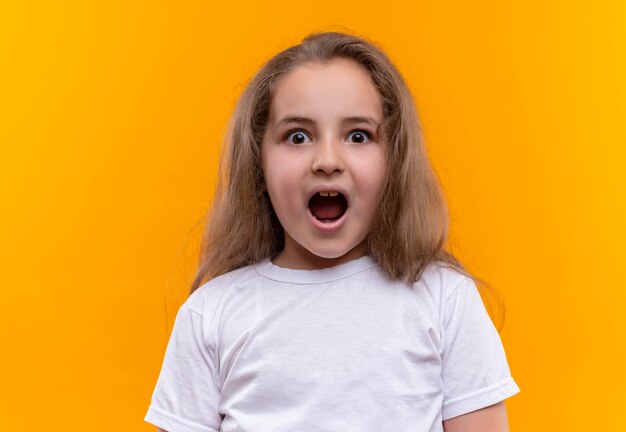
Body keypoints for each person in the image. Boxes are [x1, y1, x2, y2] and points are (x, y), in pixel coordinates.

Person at [144, 31, 520, 432]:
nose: (327, 160)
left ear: (393, 158)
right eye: (298, 136)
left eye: (358, 135)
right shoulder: (211, 314)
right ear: (259, 160)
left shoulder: (444, 300)